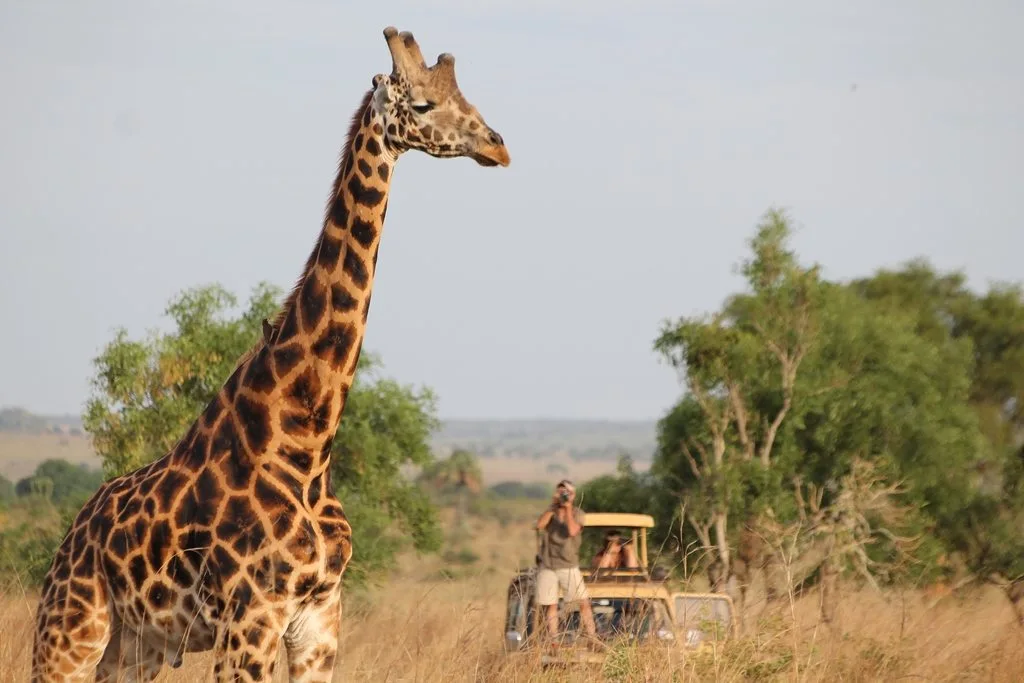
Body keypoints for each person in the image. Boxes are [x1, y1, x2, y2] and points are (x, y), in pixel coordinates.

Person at [535, 479, 597, 641]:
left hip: (568, 565)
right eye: (561, 492)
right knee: (551, 604)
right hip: (548, 564)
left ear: (573, 495)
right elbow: (539, 525)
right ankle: (554, 640)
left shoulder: (578, 513)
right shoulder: (550, 512)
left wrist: (567, 508)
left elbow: (572, 530)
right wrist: (552, 507)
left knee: (583, 602)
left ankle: (592, 637)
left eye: (567, 492)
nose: (563, 495)